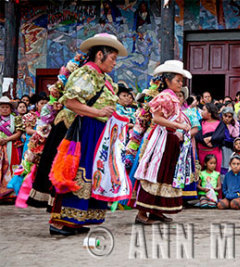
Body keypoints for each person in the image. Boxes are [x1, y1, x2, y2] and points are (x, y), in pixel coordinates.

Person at [45, 33, 128, 235]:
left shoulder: (105, 78)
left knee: (93, 173)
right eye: (112, 58)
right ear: (100, 54)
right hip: (84, 128)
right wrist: (98, 112)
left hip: (99, 131)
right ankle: (59, 221)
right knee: (76, 171)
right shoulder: (86, 74)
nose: (114, 63)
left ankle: (77, 220)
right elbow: (70, 102)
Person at [134, 60, 193, 224]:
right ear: (167, 80)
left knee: (166, 175)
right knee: (156, 173)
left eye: (181, 81)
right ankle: (142, 213)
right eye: (178, 80)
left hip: (170, 139)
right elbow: (157, 118)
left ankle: (156, 212)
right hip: (162, 139)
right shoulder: (165, 97)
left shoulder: (172, 97)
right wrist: (178, 126)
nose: (180, 84)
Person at [0, 97, 23, 202]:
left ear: (10, 109)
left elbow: (18, 133)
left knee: (12, 168)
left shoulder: (16, 119)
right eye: (2, 107)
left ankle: (11, 193)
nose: (4, 109)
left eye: (6, 107)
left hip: (12, 147)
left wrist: (7, 139)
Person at [195, 103, 225, 173]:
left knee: (216, 173)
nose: (202, 112)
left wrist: (211, 139)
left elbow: (221, 135)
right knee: (202, 173)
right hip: (202, 151)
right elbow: (197, 135)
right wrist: (204, 141)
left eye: (204, 110)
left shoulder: (220, 123)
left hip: (215, 151)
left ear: (210, 113)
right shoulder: (199, 122)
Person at [220, 107, 240, 177]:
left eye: (230, 116)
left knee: (229, 164)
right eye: (225, 116)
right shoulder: (219, 124)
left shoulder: (232, 124)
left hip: (230, 147)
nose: (227, 118)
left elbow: (236, 135)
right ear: (222, 115)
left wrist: (235, 123)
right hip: (221, 147)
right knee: (223, 165)